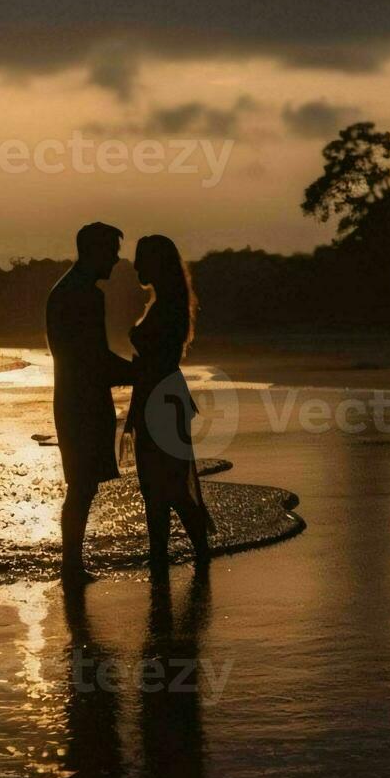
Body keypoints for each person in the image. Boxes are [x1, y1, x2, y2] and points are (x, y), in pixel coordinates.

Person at [45, 222, 134, 583]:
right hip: (82, 401)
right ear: (94, 250)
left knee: (82, 486)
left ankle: (72, 565)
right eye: (112, 250)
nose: (116, 259)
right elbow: (93, 358)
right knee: (81, 486)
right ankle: (71, 568)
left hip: (74, 397)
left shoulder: (66, 289)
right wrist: (142, 372)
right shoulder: (83, 294)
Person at [125, 235, 213, 565]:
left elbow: (155, 362)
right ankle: (171, 555)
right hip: (161, 395)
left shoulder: (167, 307)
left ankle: (179, 556)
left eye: (140, 260)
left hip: (161, 399)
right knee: (164, 485)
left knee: (168, 485)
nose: (135, 267)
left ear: (156, 264)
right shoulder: (166, 303)